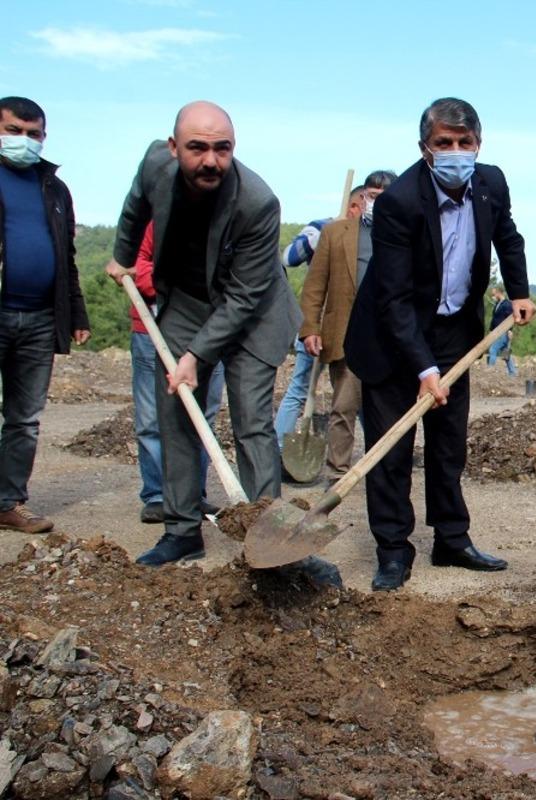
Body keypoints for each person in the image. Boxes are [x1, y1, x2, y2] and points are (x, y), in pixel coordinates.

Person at [106, 101, 337, 587]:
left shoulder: (257, 201)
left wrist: (193, 357)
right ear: (174, 149)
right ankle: (182, 528)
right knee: (176, 415)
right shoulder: (154, 165)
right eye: (197, 148)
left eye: (222, 149)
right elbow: (134, 210)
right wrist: (123, 258)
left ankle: (270, 534)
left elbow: (242, 297)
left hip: (253, 310)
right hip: (187, 300)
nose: (210, 160)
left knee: (252, 419)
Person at [343, 97, 536, 592]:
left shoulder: (491, 184)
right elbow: (393, 299)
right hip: (391, 339)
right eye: (443, 144)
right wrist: (424, 369)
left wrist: (518, 291)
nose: (455, 152)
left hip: (454, 332)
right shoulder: (400, 202)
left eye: (463, 143)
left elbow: (508, 238)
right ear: (425, 149)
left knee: (448, 445)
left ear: (479, 143)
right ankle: (392, 550)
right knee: (392, 450)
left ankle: (452, 539)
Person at [0, 96, 90, 534]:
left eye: (33, 134)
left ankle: (7, 502)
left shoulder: (54, 189)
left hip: (38, 317)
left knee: (24, 418)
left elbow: (66, 255)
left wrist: (77, 312)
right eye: (13, 131)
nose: (24, 141)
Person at [299, 171, 395, 479]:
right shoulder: (336, 233)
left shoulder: (402, 235)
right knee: (343, 408)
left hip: (389, 338)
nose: (374, 203)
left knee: (387, 412)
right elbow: (315, 285)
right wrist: (310, 328)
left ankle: (384, 472)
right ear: (362, 198)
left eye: (382, 198)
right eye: (370, 196)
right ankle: (337, 472)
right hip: (346, 334)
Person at [129, 222, 225, 523]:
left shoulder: (223, 223)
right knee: (152, 418)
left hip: (210, 333)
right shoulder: (156, 222)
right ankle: (158, 495)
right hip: (152, 332)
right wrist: (171, 283)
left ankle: (193, 495)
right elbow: (134, 266)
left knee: (203, 417)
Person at [274, 201, 361, 454]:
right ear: (353, 206)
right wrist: (320, 237)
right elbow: (288, 257)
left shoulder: (370, 234)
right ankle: (279, 448)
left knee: (355, 392)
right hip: (316, 324)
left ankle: (381, 451)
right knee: (300, 386)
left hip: (347, 329)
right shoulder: (321, 228)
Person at [485, 286, 517, 376]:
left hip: (504, 332)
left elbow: (510, 318)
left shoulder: (507, 304)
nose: (493, 296)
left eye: (494, 294)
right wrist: (491, 330)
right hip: (496, 332)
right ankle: (512, 373)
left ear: (499, 293)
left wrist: (510, 330)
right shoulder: (497, 304)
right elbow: (495, 319)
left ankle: (490, 370)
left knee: (493, 349)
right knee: (505, 353)